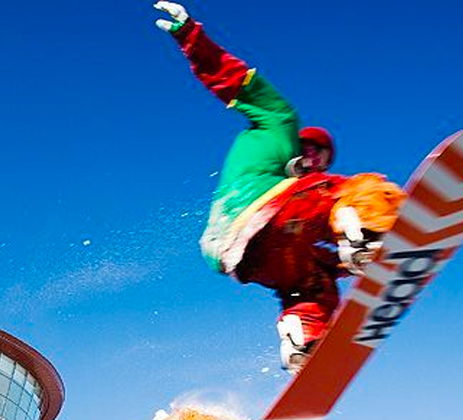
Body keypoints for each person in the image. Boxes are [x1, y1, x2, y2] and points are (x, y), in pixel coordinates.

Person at [154, 2, 406, 372]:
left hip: (238, 254)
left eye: (322, 157)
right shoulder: (278, 125)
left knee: (313, 284)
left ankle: (302, 339)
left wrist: (350, 266)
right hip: (257, 211)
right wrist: (190, 34)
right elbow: (232, 79)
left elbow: (318, 255)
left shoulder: (308, 203)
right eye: (312, 151)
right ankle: (368, 232)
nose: (315, 161)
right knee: (363, 187)